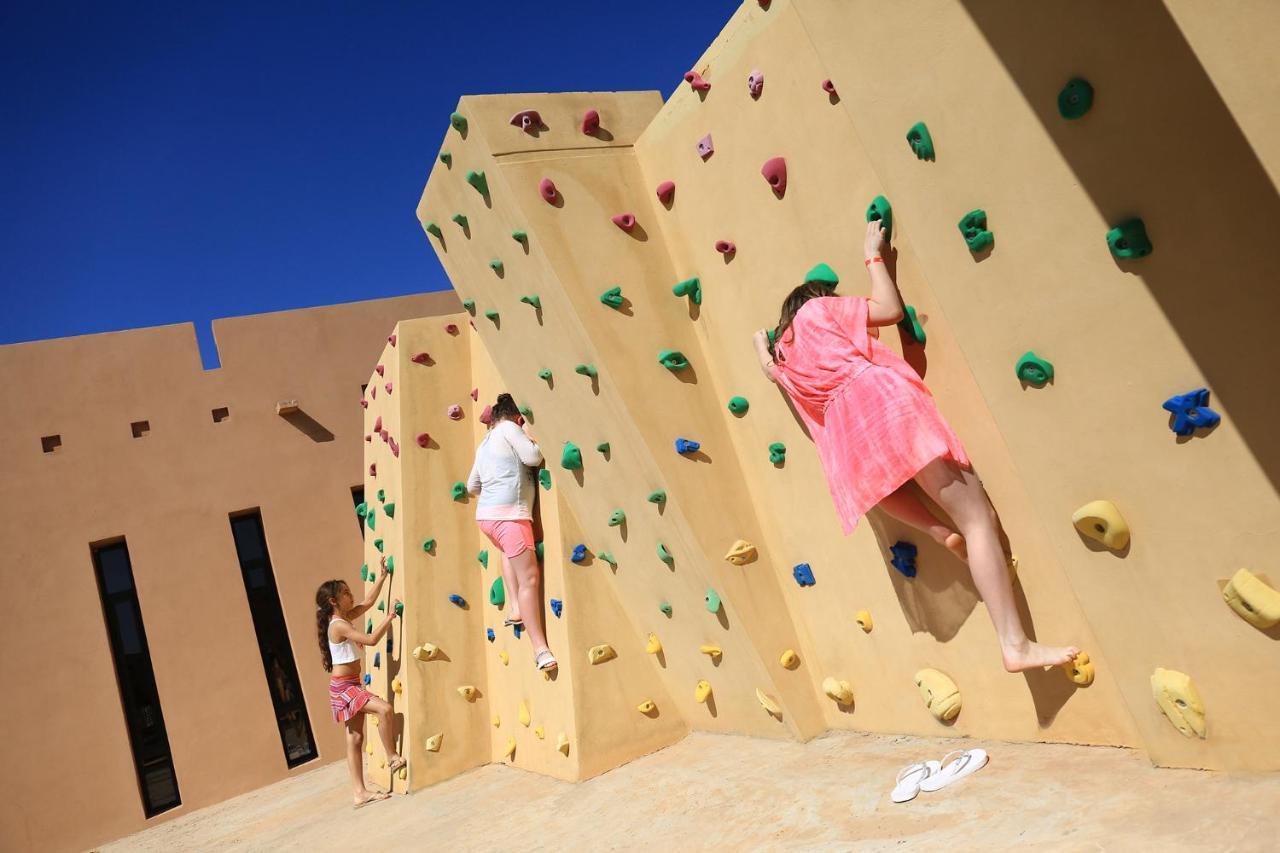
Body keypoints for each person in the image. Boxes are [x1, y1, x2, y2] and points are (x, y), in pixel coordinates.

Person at [753, 220, 1079, 673]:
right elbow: (887, 308)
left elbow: (770, 371)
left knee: (887, 489)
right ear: (811, 299)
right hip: (883, 405)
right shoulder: (817, 312)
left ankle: (933, 530)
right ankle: (1015, 644)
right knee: (978, 520)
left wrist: (764, 349)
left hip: (848, 437)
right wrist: (873, 255)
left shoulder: (786, 357)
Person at [467, 393, 558, 671]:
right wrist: (529, 435)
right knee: (530, 578)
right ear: (518, 417)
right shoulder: (509, 429)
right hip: (509, 517)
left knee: (508, 553)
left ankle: (516, 607)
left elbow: (472, 486)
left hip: (487, 517)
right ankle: (540, 650)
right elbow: (532, 457)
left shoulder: (485, 442)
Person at [315, 559, 404, 808]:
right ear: (333, 601)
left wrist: (383, 576)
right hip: (346, 687)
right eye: (345, 593)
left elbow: (368, 602)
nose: (350, 596)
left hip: (348, 684)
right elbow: (372, 639)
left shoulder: (343, 618)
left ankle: (359, 793)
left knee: (355, 738)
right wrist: (391, 617)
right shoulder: (340, 625)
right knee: (384, 709)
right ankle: (393, 756)